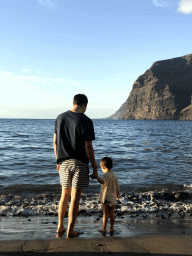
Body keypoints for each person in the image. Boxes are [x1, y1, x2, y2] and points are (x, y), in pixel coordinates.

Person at [53, 94, 98, 238]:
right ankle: (70, 230)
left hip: (64, 163)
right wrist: (95, 167)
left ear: (73, 102)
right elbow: (88, 147)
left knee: (64, 197)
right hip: (79, 163)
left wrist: (58, 160)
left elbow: (55, 142)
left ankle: (60, 227)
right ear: (85, 104)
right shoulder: (86, 121)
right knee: (75, 199)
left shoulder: (60, 118)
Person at [95, 157, 119, 233]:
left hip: (106, 197)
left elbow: (102, 182)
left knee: (105, 213)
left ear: (103, 167)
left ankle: (104, 228)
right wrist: (117, 196)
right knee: (112, 212)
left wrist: (96, 177)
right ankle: (111, 228)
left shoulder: (105, 175)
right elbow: (117, 188)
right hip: (113, 197)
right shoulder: (115, 176)